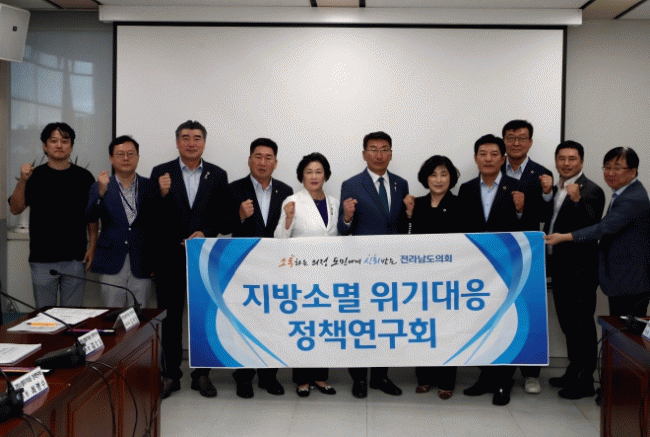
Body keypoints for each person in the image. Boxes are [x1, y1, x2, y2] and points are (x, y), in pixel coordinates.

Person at [151, 120, 232, 399]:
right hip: (169, 258)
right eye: (185, 137)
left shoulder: (217, 175)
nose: (191, 143)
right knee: (170, 320)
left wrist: (205, 232)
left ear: (204, 143)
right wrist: (161, 194)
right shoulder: (161, 172)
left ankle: (202, 375)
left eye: (197, 138)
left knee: (204, 318)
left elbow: (224, 218)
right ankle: (170, 375)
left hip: (203, 258)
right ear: (177, 142)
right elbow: (151, 216)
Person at [337, 131, 409, 399]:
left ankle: (380, 376)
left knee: (386, 324)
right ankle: (359, 378)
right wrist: (346, 216)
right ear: (364, 154)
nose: (379, 155)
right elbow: (344, 230)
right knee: (361, 323)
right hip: (362, 268)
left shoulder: (401, 184)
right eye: (373, 149)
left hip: (392, 268)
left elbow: (401, 226)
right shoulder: (352, 184)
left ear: (391, 153)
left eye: (384, 149)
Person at [458, 134, 525, 406]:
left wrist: (520, 210)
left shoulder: (518, 187)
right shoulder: (466, 189)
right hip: (476, 269)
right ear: (476, 158)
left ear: (503, 158)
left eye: (494, 154)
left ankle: (503, 381)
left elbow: (529, 228)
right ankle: (485, 377)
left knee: (505, 323)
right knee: (481, 323)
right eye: (483, 154)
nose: (488, 159)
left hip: (508, 268)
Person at [545, 147, 650, 318]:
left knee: (625, 331)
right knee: (617, 329)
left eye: (617, 168)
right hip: (623, 278)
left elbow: (602, 228)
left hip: (631, 280)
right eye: (607, 167)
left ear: (633, 171)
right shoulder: (624, 192)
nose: (610, 173)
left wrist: (563, 237)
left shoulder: (633, 198)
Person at [539, 141, 605, 400]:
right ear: (556, 161)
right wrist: (547, 194)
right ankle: (573, 371)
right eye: (562, 158)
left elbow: (591, 228)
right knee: (568, 324)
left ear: (582, 161)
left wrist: (577, 201)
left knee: (581, 327)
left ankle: (584, 381)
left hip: (580, 271)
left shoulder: (592, 190)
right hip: (560, 268)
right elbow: (550, 220)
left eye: (572, 158)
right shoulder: (559, 187)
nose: (566, 163)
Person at [230, 137, 294, 398]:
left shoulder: (286, 191)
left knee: (272, 322)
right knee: (246, 323)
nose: (263, 162)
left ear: (275, 163)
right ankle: (244, 377)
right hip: (244, 269)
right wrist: (239, 216)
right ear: (249, 160)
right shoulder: (234, 189)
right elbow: (221, 225)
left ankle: (269, 376)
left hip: (274, 269)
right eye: (258, 156)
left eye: (268, 157)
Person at [9, 122, 97, 309]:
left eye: (64, 141)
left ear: (71, 146)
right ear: (45, 145)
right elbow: (15, 208)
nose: (59, 145)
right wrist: (23, 181)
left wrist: (92, 247)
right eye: (54, 141)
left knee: (72, 316)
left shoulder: (85, 177)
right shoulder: (34, 176)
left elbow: (92, 216)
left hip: (75, 258)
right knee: (45, 317)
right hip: (42, 259)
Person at [274, 152, 338, 397]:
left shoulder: (334, 203)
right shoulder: (292, 200)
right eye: (309, 171)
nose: (314, 176)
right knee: (303, 328)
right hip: (301, 277)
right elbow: (279, 239)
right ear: (301, 175)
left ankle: (321, 377)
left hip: (328, 276)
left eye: (319, 171)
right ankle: (301, 380)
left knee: (324, 327)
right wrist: (288, 218)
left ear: (326, 175)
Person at [403, 155, 462, 400]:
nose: (438, 180)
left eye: (444, 174)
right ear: (425, 178)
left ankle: (446, 381)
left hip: (450, 279)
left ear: (451, 178)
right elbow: (406, 240)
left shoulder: (461, 204)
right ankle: (424, 378)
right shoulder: (416, 203)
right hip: (421, 280)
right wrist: (409, 216)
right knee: (423, 327)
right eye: (433, 174)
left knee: (448, 329)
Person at [502, 119, 553, 395]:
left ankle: (531, 374)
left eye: (522, 138)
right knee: (504, 312)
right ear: (504, 141)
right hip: (500, 254)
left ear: (530, 142)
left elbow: (547, 216)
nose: (516, 143)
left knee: (530, 312)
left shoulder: (542, 174)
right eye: (511, 137)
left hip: (530, 255)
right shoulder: (494, 169)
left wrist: (543, 196)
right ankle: (502, 373)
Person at [86, 135, 157, 309]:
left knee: (140, 314)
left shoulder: (150, 186)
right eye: (120, 154)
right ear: (111, 158)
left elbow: (156, 225)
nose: (126, 158)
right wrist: (101, 193)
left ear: (137, 158)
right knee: (112, 314)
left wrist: (156, 259)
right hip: (111, 259)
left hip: (142, 261)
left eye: (130, 153)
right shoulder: (99, 185)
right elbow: (91, 216)